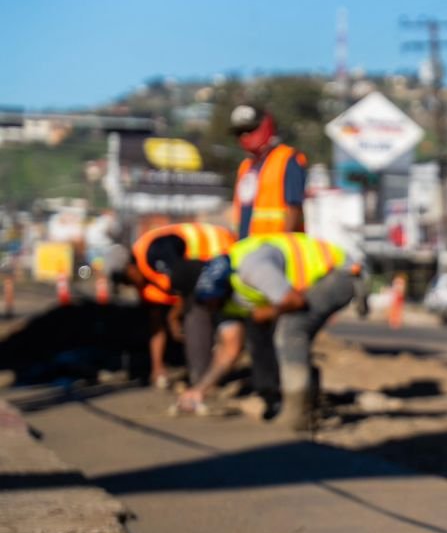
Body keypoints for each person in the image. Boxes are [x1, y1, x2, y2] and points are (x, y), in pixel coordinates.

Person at [180, 233, 359, 433]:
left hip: (341, 272)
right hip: (307, 286)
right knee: (278, 333)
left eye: (212, 302)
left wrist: (265, 312)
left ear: (224, 288)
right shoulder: (221, 301)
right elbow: (229, 350)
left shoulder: (253, 268)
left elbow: (294, 301)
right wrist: (199, 390)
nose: (210, 308)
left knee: (291, 330)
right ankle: (308, 399)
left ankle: (297, 414)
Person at [105, 222, 235, 389]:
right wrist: (157, 367)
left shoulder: (154, 253)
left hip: (220, 249)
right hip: (199, 271)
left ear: (130, 269)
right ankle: (204, 375)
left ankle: (204, 379)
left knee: (195, 313)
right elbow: (156, 325)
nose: (128, 286)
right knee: (193, 309)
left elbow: (187, 281)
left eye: (126, 281)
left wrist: (173, 317)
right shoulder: (145, 283)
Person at [229, 104, 308, 238]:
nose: (245, 136)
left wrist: (282, 243)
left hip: (276, 246)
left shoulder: (287, 159)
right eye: (239, 132)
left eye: (250, 129)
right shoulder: (245, 166)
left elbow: (294, 207)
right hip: (247, 245)